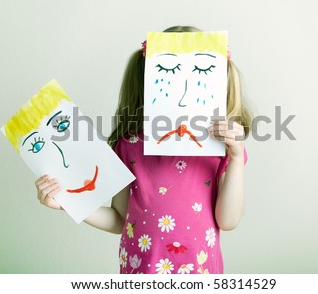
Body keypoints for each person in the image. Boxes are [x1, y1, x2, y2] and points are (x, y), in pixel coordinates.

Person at [35, 26, 252, 274]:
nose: (182, 92)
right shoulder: (129, 145)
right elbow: (119, 218)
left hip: (199, 273)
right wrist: (69, 201)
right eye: (168, 75)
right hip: (140, 272)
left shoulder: (222, 149)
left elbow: (228, 220)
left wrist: (235, 157)